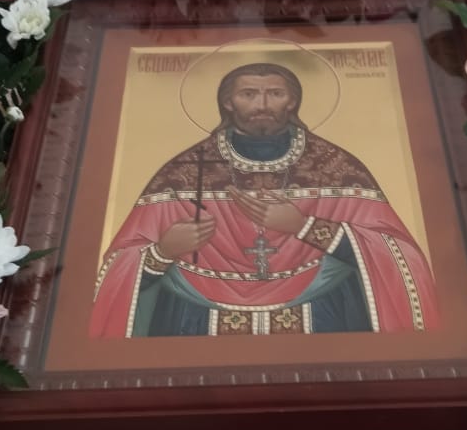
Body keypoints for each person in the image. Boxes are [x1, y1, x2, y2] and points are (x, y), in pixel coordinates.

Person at [90, 62, 438, 339]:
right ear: (228, 102)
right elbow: (115, 272)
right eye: (249, 94)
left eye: (275, 94)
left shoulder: (336, 168)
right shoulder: (184, 172)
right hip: (196, 323)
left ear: (293, 101)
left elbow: (399, 255)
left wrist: (305, 227)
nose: (262, 105)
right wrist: (163, 251)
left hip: (322, 321)